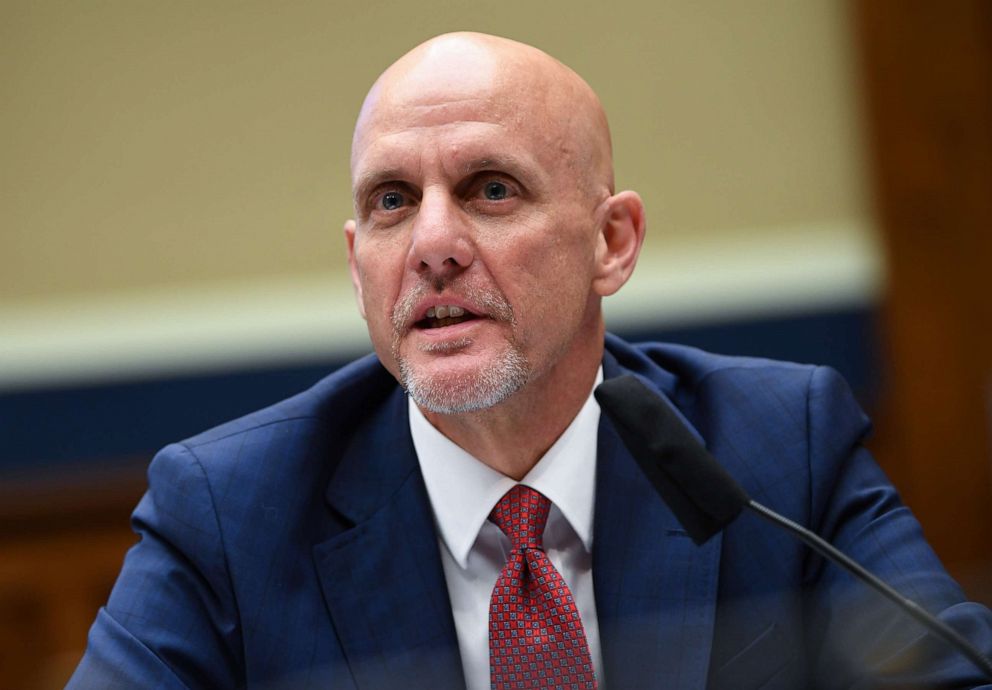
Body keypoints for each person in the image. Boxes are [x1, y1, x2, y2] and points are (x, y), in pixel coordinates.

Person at [69, 32, 992, 689]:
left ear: (612, 242)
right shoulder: (231, 509)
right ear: (359, 267)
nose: (432, 242)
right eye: (393, 201)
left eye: (491, 189)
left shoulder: (776, 448)